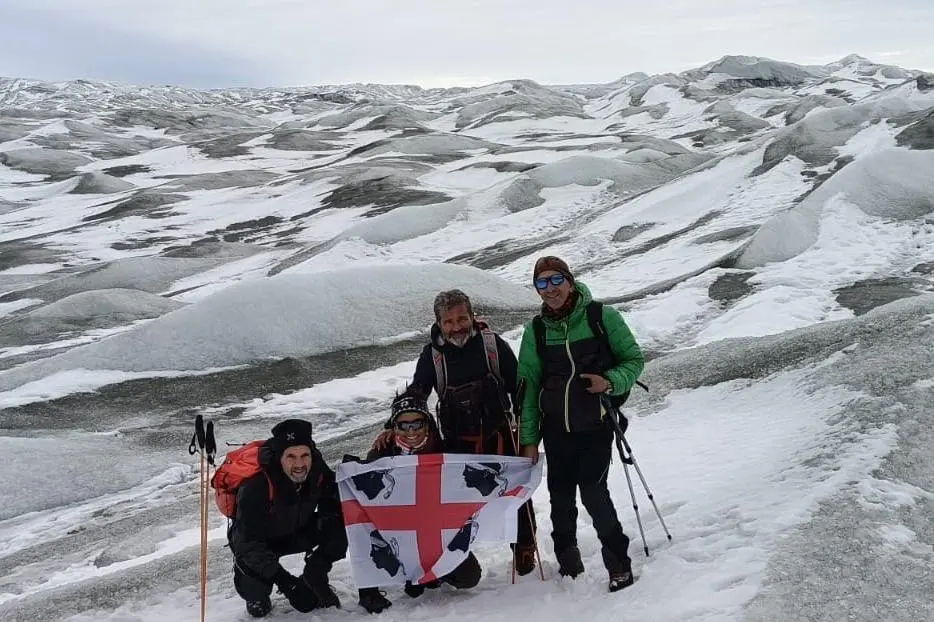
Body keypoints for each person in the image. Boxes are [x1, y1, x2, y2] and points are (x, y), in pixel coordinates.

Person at [516, 256, 645, 593]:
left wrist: (611, 381)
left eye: (556, 279)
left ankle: (619, 563)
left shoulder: (601, 317)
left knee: (593, 492)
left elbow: (634, 360)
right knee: (560, 498)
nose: (550, 289)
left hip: (596, 425)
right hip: (556, 430)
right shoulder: (536, 331)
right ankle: (568, 560)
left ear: (570, 281)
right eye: (541, 283)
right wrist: (529, 440)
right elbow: (528, 387)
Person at [390, 288, 538, 575]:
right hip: (458, 445)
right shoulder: (432, 356)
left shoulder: (493, 346)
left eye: (461, 318)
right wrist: (390, 426)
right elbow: (416, 394)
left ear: (472, 316)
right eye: (449, 321)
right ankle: (457, 562)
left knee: (516, 498)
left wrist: (528, 430)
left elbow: (520, 389)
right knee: (456, 508)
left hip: (500, 437)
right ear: (439, 323)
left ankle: (524, 546)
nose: (456, 326)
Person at [356, 388, 482, 613]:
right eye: (403, 425)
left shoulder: (444, 451)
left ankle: (431, 573)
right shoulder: (380, 455)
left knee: (469, 577)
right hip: (396, 534)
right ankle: (409, 573)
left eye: (417, 424)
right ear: (394, 427)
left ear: (428, 424)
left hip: (436, 533)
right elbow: (363, 505)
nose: (411, 431)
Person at [228, 419, 348, 617]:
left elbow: (333, 496)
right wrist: (288, 584)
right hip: (260, 542)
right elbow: (247, 544)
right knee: (255, 589)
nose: (300, 464)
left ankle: (314, 577)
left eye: (304, 455)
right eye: (291, 456)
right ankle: (258, 596)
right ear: (279, 457)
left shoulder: (316, 467)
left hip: (298, 530)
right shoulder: (256, 486)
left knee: (341, 525)